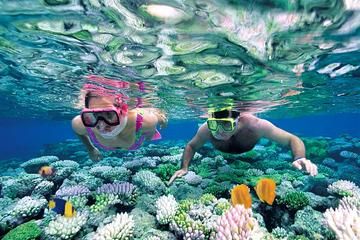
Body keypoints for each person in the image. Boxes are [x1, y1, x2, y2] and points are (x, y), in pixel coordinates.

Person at [168, 107, 318, 185]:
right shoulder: (206, 129)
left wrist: (300, 157)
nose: (219, 131)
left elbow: (292, 139)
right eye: (215, 125)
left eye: (226, 125)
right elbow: (191, 146)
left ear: (237, 122)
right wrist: (184, 167)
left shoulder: (256, 126)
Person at [72, 89, 167, 161]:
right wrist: (90, 148)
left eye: (109, 114)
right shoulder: (81, 124)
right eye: (94, 115)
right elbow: (79, 133)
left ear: (123, 111)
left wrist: (161, 119)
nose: (102, 125)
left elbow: (159, 117)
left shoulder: (146, 121)